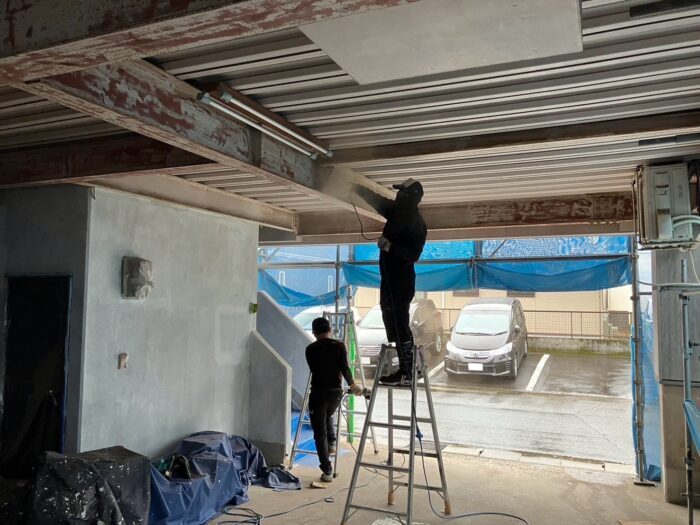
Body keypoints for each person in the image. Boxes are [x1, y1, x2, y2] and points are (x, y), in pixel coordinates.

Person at [353, 178, 427, 386]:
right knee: (392, 320)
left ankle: (407, 371)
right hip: (390, 278)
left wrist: (390, 247)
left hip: (401, 281)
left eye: (402, 193)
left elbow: (413, 255)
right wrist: (356, 187)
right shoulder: (397, 212)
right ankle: (407, 369)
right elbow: (377, 200)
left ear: (411, 197)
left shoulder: (416, 223)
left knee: (399, 322)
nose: (398, 195)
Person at [305, 317, 363, 482]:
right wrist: (353, 385)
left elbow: (313, 368)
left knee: (319, 434)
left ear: (314, 332)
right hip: (335, 394)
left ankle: (327, 470)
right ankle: (332, 442)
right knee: (328, 415)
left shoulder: (310, 349)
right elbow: (344, 368)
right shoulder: (339, 346)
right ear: (329, 330)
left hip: (318, 394)